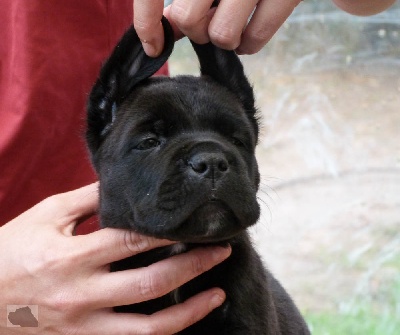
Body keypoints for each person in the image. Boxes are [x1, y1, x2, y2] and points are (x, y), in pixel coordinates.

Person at [0, 0, 394, 333]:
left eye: (235, 140)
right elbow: (23, 316)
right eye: (152, 141)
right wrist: (14, 314)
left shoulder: (246, 296)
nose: (210, 161)